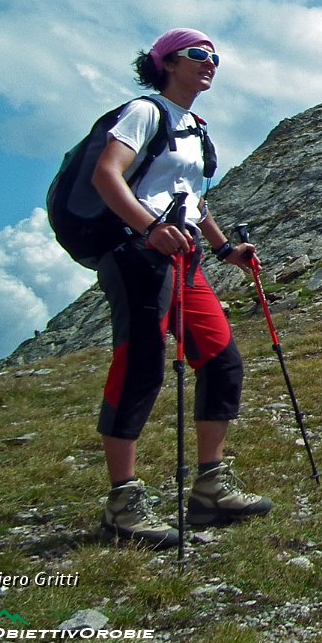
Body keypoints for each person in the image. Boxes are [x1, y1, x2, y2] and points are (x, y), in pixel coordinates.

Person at [91, 27, 271, 548]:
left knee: (221, 360)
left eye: (216, 56)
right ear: (167, 61)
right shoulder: (146, 113)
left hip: (185, 255)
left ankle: (210, 488)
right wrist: (148, 228)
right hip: (139, 254)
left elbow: (193, 200)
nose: (210, 62)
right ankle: (122, 502)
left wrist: (223, 250)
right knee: (142, 365)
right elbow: (108, 174)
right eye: (198, 54)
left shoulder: (194, 126)